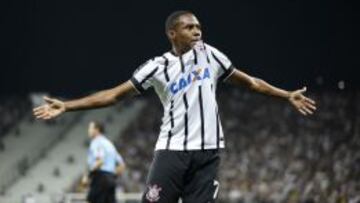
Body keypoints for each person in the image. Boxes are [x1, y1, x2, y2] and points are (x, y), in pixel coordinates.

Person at [33, 10, 316, 203]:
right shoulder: (156, 67)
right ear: (172, 33)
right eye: (189, 27)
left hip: (208, 152)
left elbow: (251, 83)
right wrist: (68, 106)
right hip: (172, 150)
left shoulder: (211, 55)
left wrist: (285, 95)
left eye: (198, 26)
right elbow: (114, 95)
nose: (197, 31)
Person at [81, 121, 126, 203]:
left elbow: (100, 161)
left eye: (90, 128)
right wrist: (111, 176)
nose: (89, 130)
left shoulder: (96, 142)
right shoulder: (109, 144)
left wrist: (87, 175)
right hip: (111, 179)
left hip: (100, 178)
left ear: (97, 130)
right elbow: (122, 166)